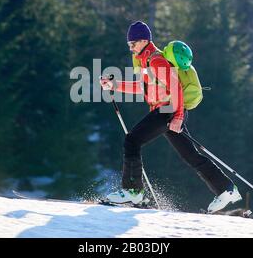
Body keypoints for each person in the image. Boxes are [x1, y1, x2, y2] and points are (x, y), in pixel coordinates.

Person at [99, 21, 241, 213]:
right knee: (190, 154)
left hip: (169, 109)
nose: (131, 48)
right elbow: (143, 88)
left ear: (144, 41)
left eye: (133, 44)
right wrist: (115, 85)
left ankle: (132, 191)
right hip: (165, 110)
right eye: (129, 45)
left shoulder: (156, 60)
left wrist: (178, 117)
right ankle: (226, 189)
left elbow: (176, 87)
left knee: (132, 140)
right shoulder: (143, 62)